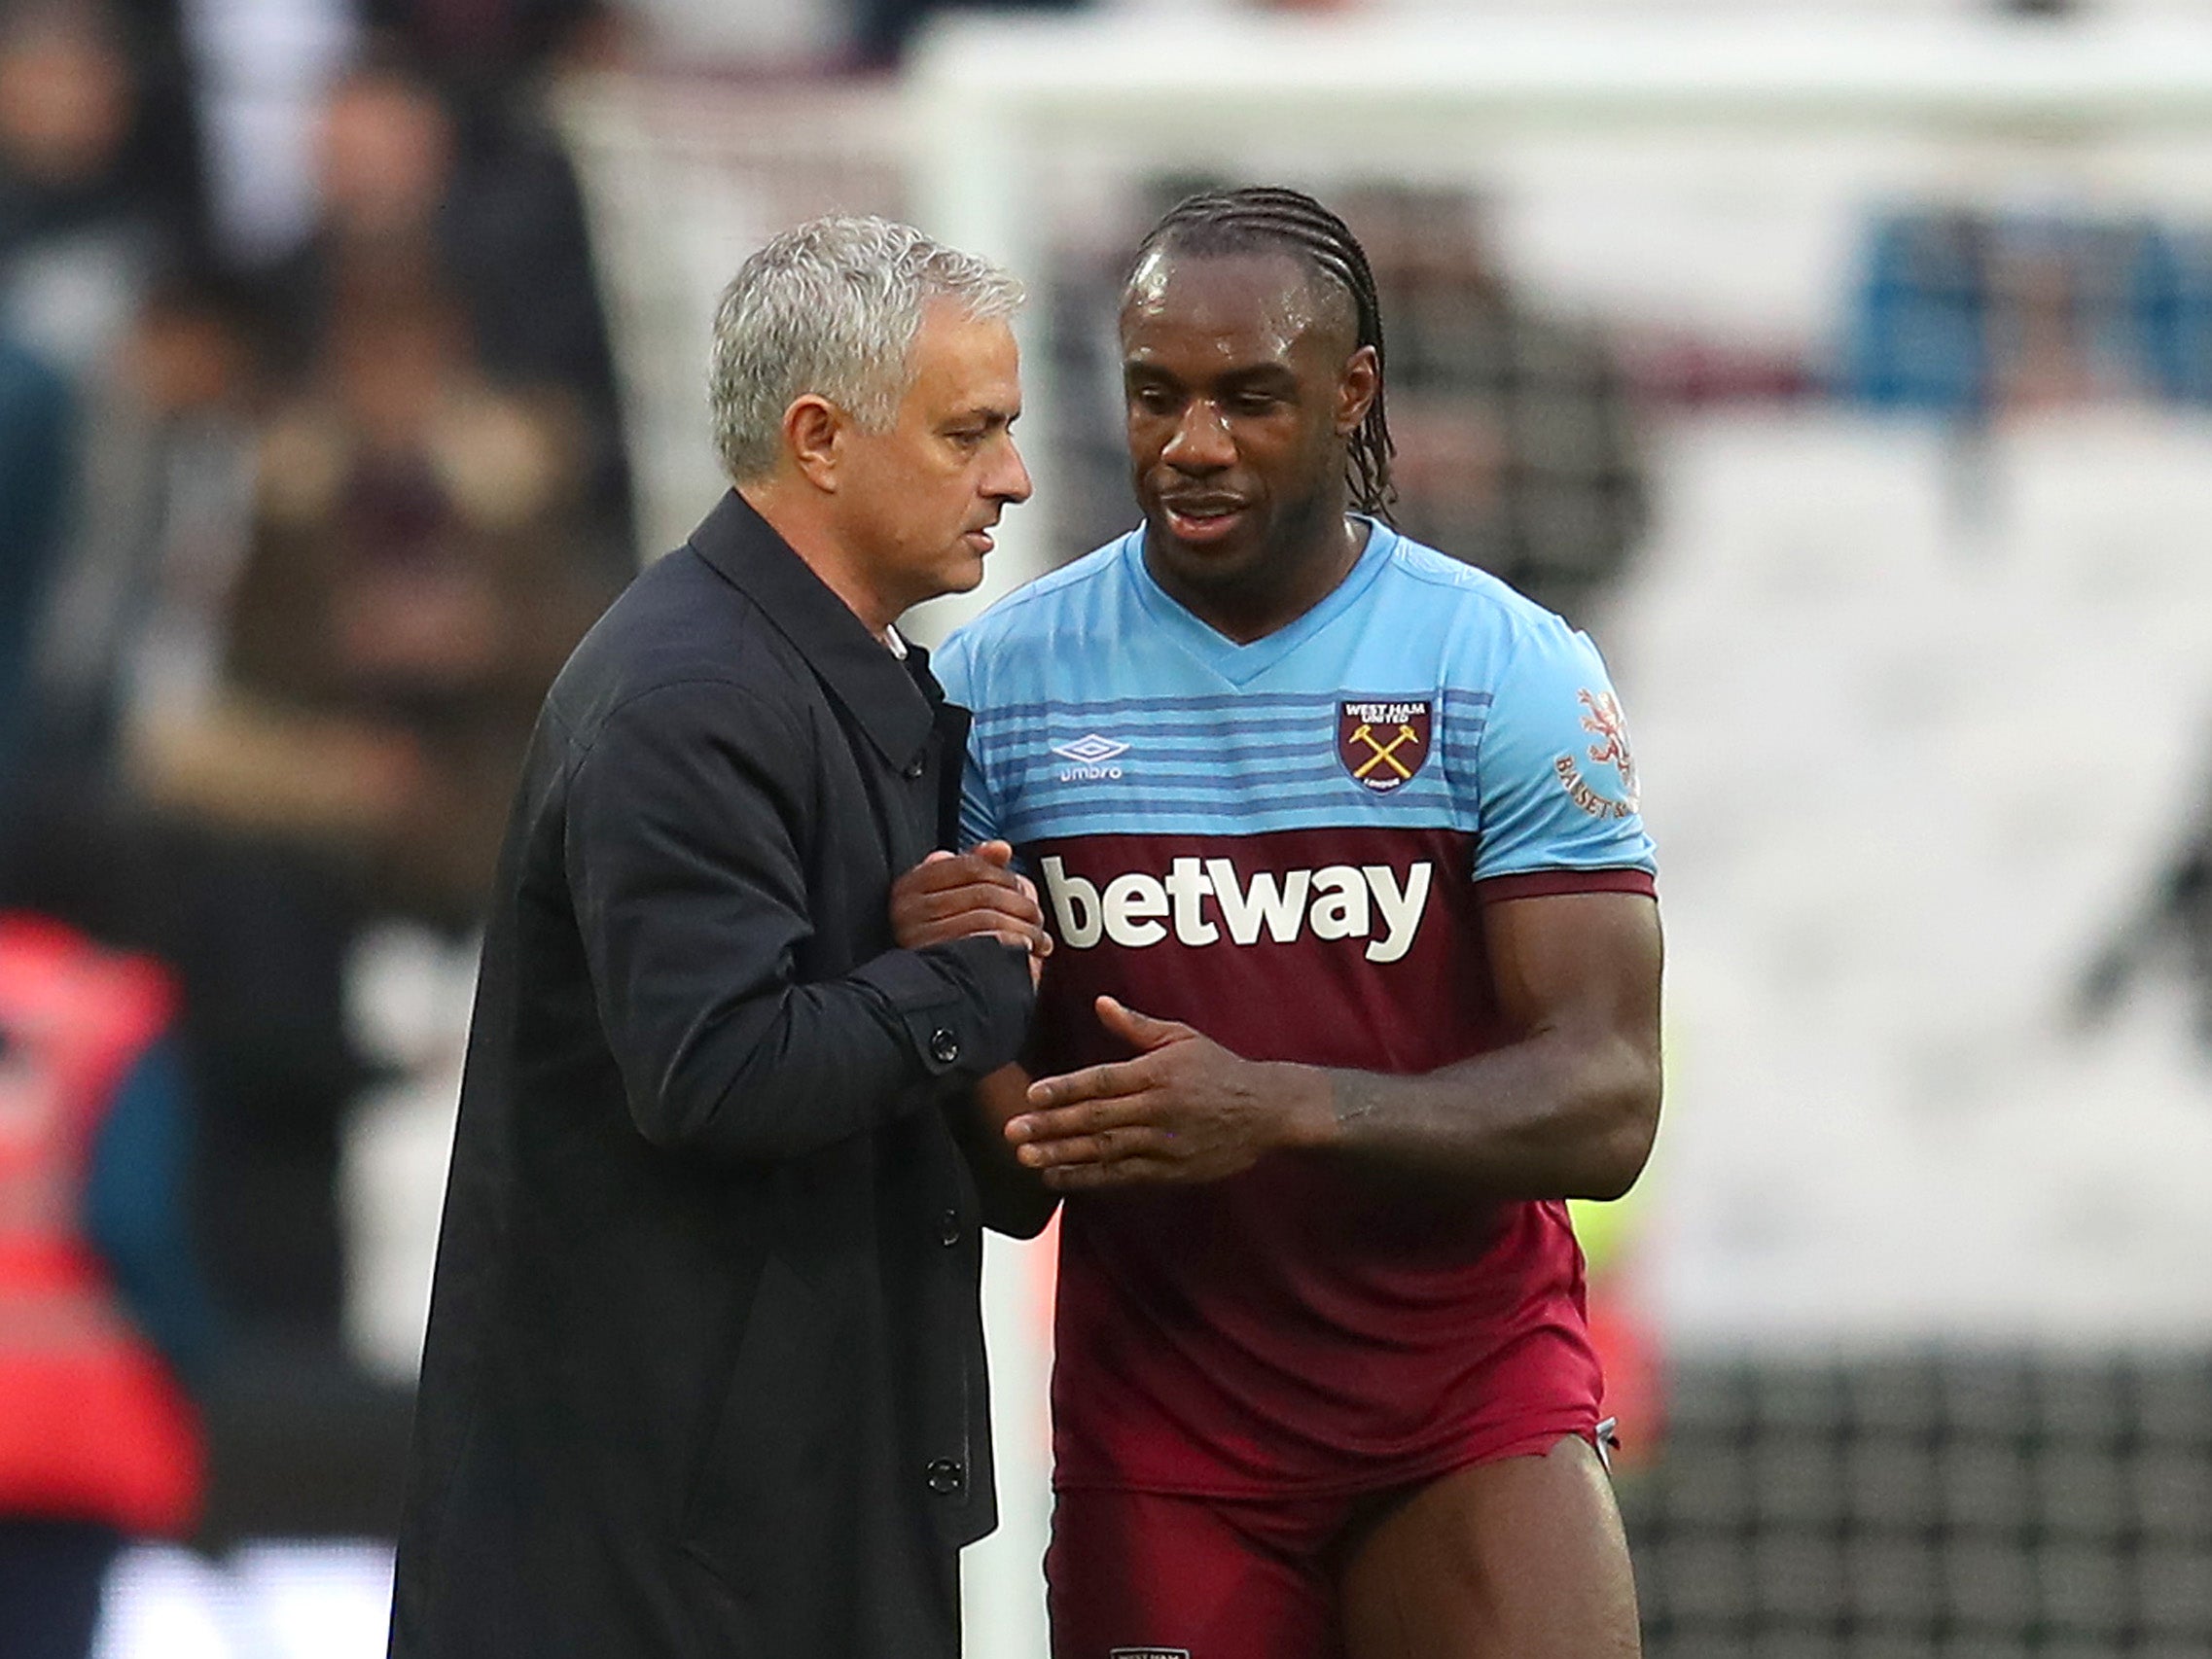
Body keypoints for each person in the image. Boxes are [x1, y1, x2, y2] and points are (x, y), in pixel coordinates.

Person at [925, 186, 1664, 1659]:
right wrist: (939, 995)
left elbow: (1606, 1102)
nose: (1190, 444)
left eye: (1247, 398)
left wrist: (1279, 1107)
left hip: (1464, 1412)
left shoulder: (1501, 668)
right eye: (1155, 396)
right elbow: (1011, 1181)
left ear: (1352, 391)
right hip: (1169, 1436)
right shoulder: (995, 693)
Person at [387, 215, 1046, 1659]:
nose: (1013, 475)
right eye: (968, 432)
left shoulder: (843, 683)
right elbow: (718, 1071)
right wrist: (962, 982)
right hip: (653, 1564)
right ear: (818, 437)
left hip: (785, 1515)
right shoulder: (690, 693)